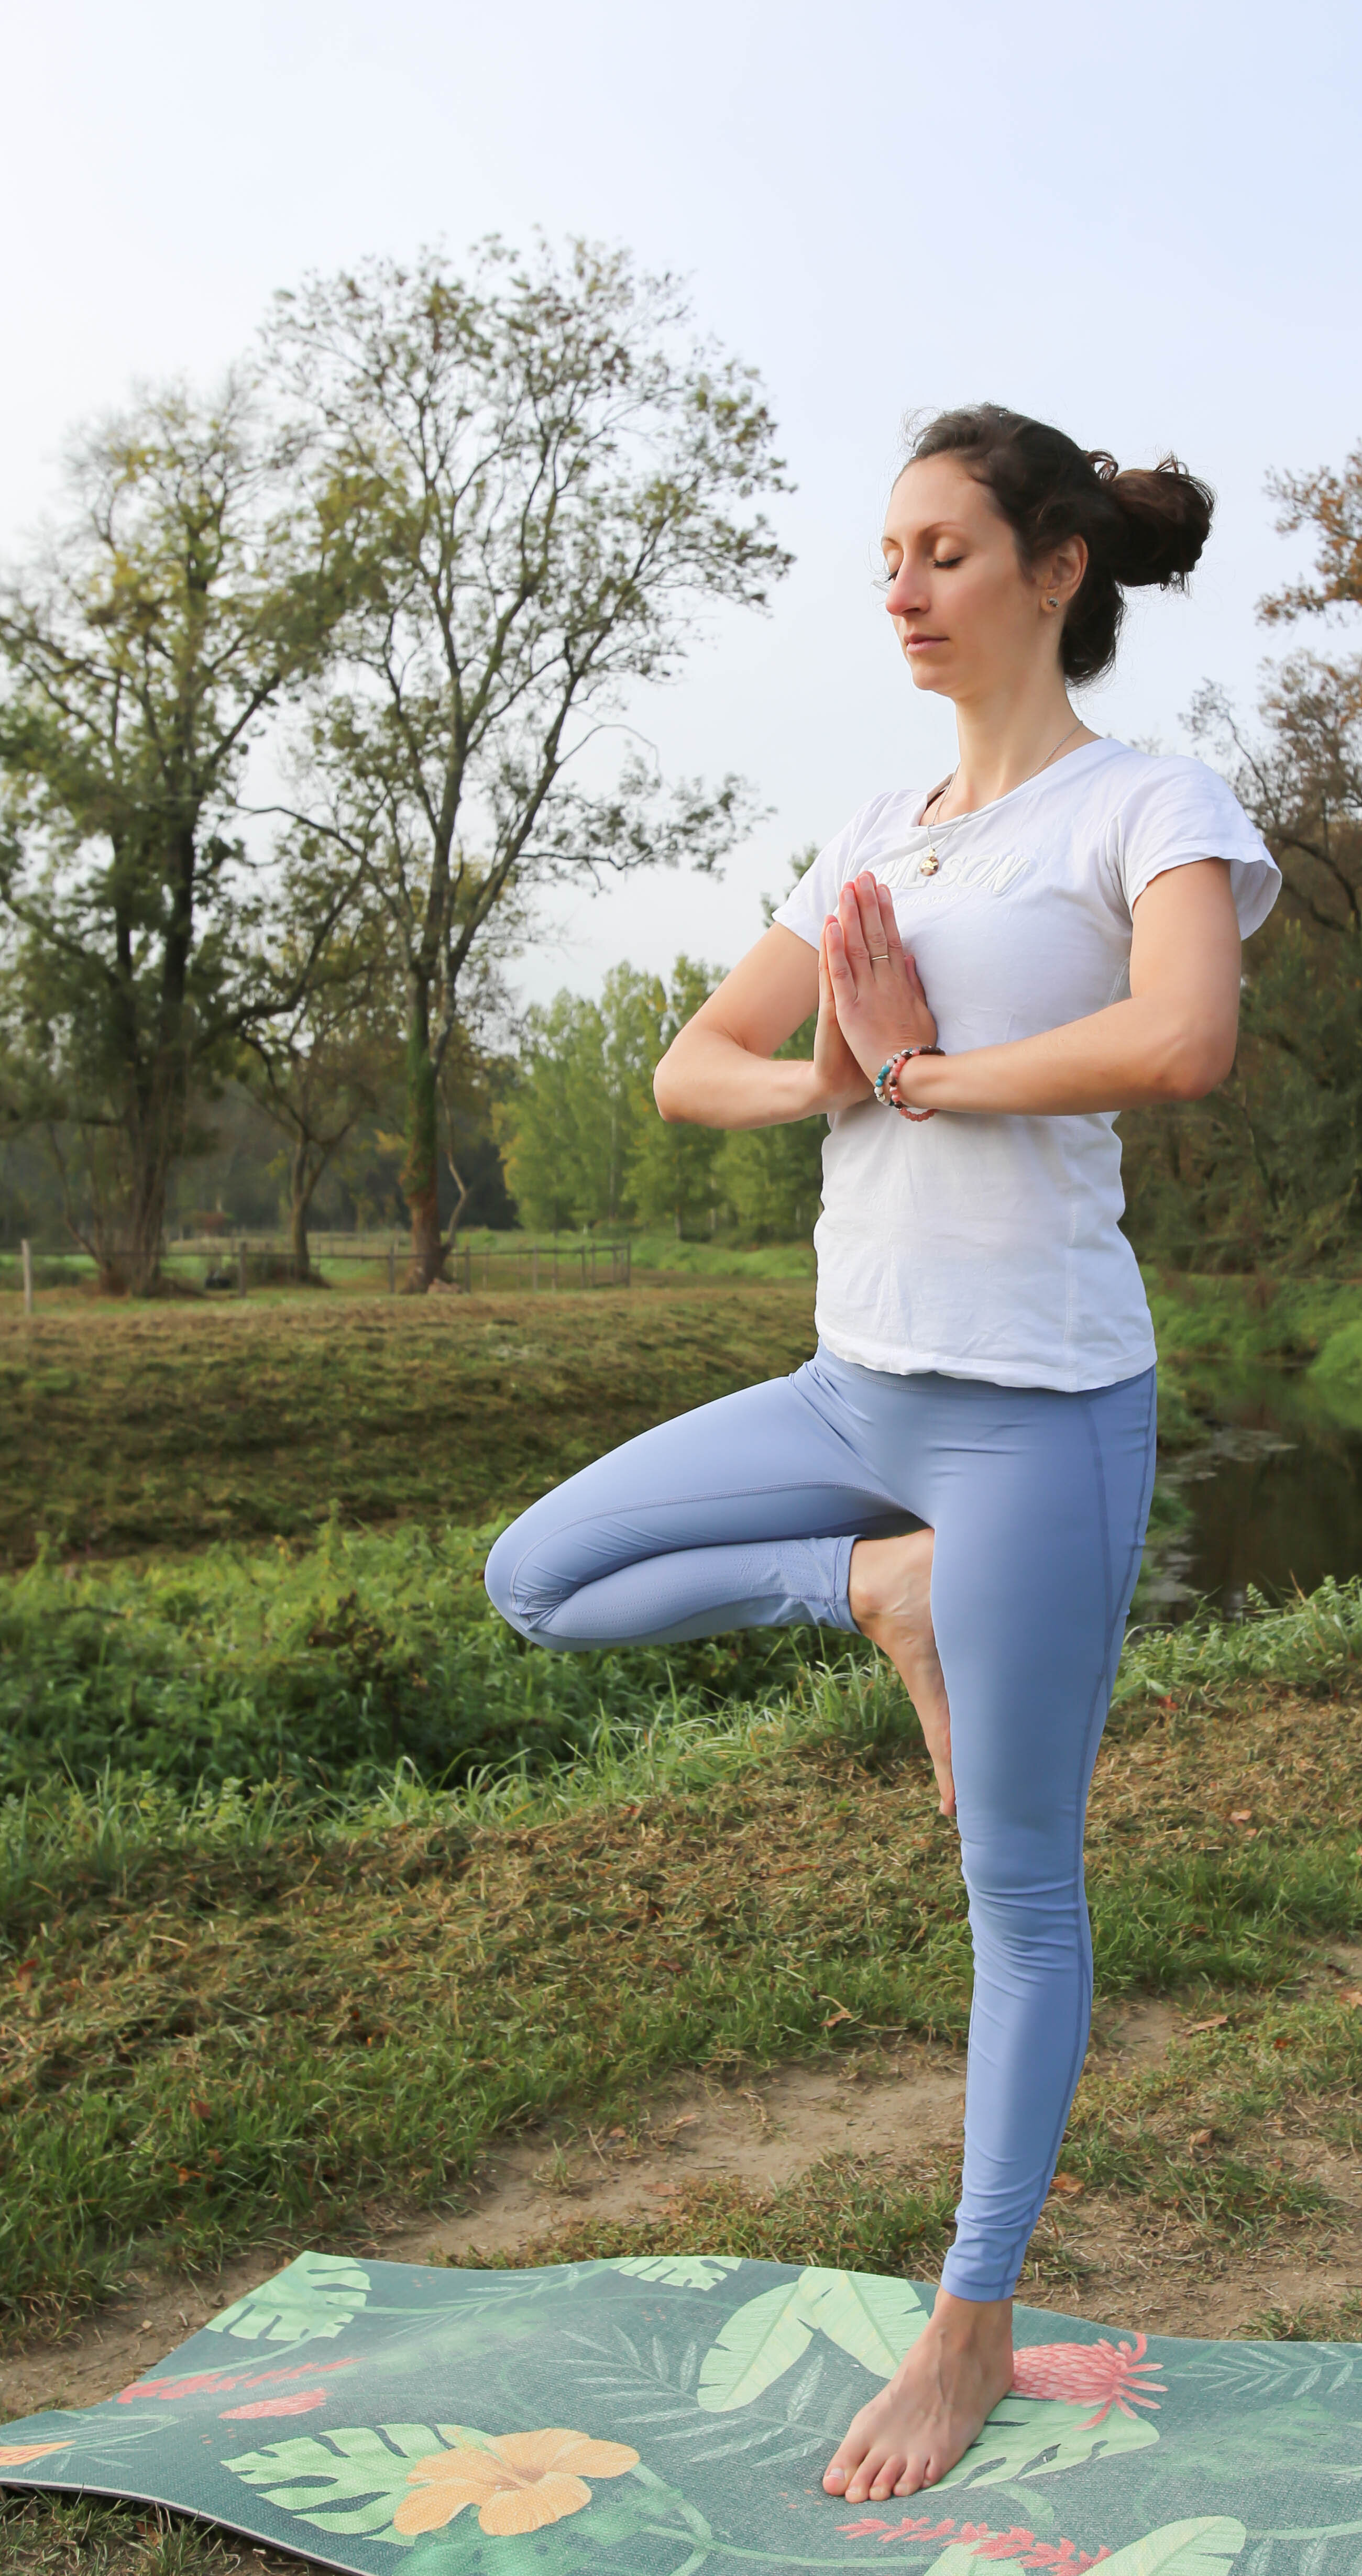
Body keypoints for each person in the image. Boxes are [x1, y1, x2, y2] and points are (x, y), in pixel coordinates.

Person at [485, 405, 1280, 2502]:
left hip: (1042, 1413)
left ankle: (972, 2326)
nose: (904, 591)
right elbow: (695, 1067)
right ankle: (873, 1587)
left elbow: (1184, 1036)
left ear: (1055, 570)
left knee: (1018, 1890)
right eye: (890, 558)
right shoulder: (875, 825)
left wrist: (932, 1072)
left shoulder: (1148, 804)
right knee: (537, 1578)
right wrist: (838, 1074)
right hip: (855, 1389)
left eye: (944, 551)